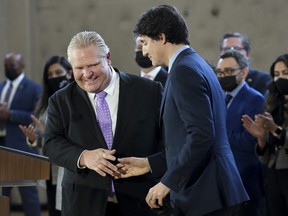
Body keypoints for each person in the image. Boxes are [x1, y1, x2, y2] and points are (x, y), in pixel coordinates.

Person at [117, 4, 249, 216]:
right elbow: (186, 138)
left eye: (145, 42)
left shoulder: (183, 71)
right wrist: (150, 163)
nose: (144, 51)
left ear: (161, 37)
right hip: (213, 192)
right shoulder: (195, 64)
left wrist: (168, 182)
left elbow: (202, 135)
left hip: (208, 194)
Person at [43, 31, 163, 216]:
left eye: (92, 65)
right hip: (83, 204)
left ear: (108, 58)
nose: (86, 74)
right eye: (79, 68)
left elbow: (168, 141)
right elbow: (50, 143)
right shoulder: (60, 100)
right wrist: (83, 157)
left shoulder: (149, 91)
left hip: (141, 201)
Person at [19, 55, 73, 216]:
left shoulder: (75, 98)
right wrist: (34, 139)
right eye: (50, 75)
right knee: (53, 211)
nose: (54, 77)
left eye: (58, 72)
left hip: (67, 170)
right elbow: (43, 139)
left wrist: (47, 134)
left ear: (69, 73)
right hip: (49, 170)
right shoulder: (45, 103)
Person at [215, 50, 265, 216]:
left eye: (229, 71)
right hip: (223, 179)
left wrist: (217, 134)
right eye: (220, 72)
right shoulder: (220, 97)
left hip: (245, 179)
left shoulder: (255, 99)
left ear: (244, 72)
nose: (223, 76)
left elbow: (249, 141)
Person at [242, 53, 288, 216]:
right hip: (274, 174)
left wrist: (275, 129)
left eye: (285, 73)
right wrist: (261, 138)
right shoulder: (274, 105)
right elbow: (267, 157)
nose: (280, 79)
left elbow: (280, 135)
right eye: (276, 75)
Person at [0, 53, 42, 216]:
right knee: (2, 195)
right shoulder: (1, 86)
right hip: (2, 147)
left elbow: (36, 116)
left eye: (12, 66)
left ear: (22, 66)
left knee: (29, 196)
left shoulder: (34, 88)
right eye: (6, 66)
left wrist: (10, 114)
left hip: (23, 149)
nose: (9, 69)